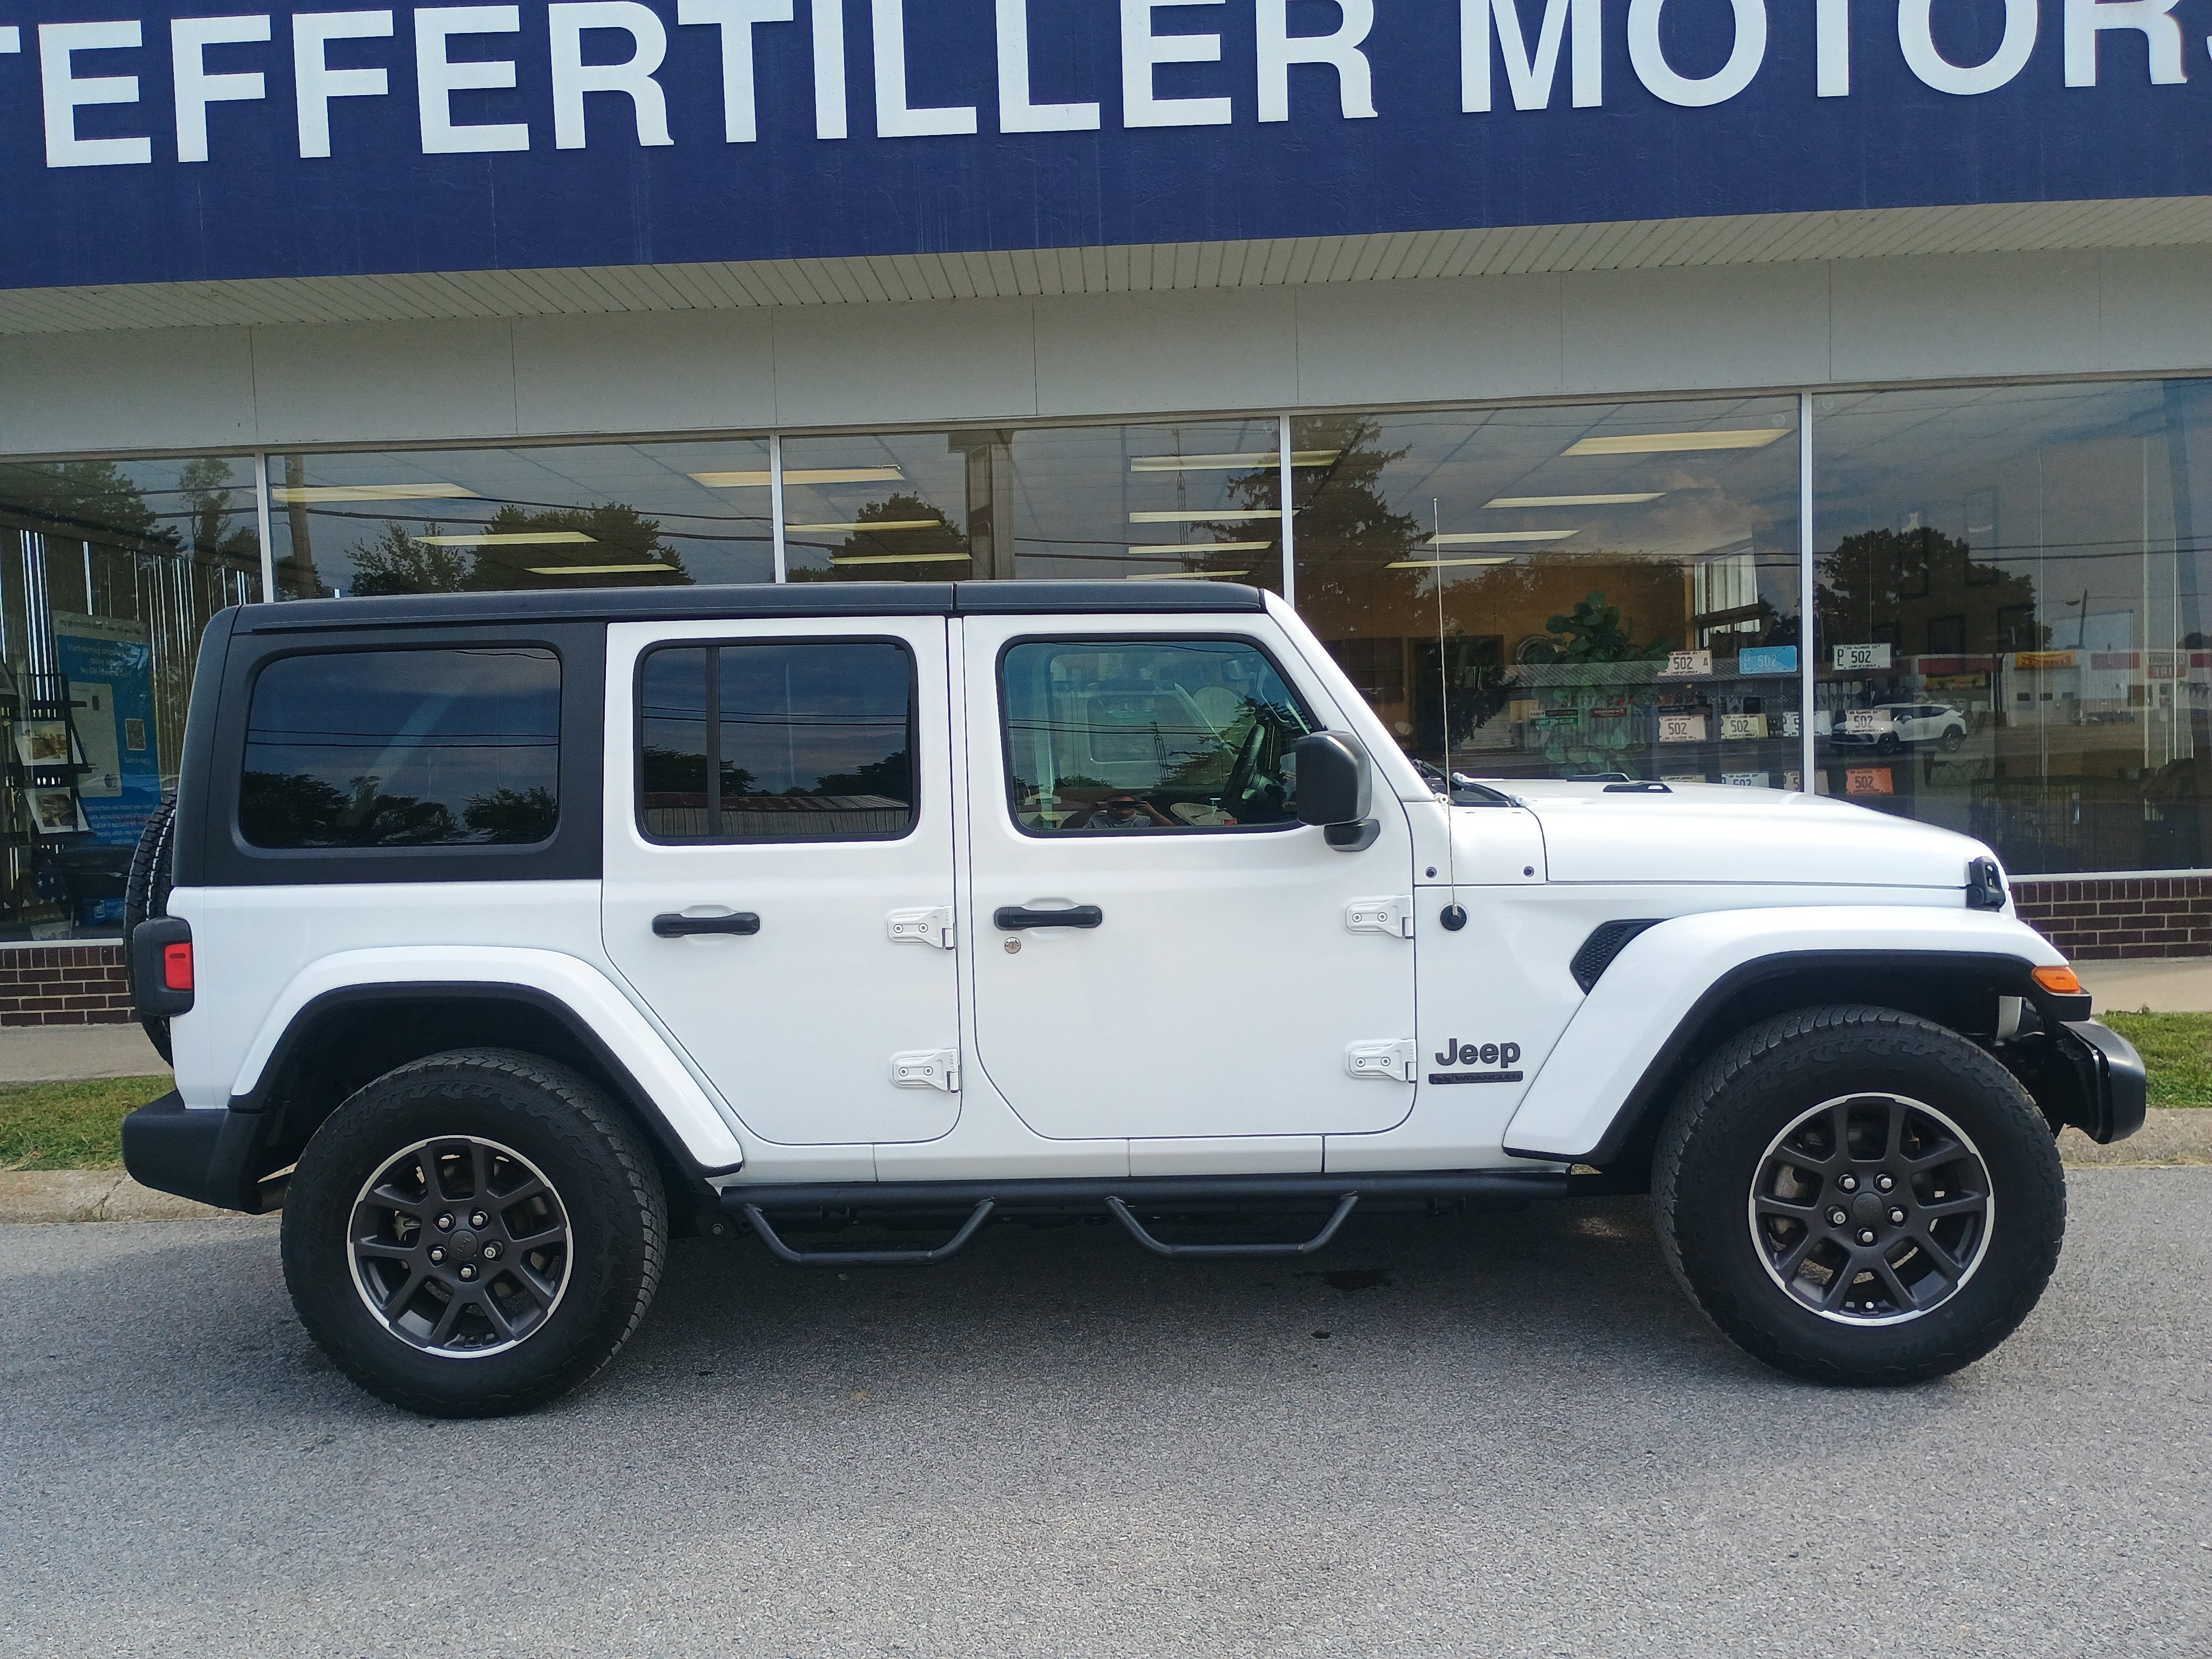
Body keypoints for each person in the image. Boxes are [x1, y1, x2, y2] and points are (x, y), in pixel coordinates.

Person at [1064, 793, 1177, 831]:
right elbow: (1067, 829)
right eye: (1117, 804)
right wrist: (1091, 810)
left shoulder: (1148, 821)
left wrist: (1153, 814)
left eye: (1128, 804)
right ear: (1107, 805)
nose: (1122, 807)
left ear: (1136, 806)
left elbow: (1172, 831)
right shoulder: (1094, 820)